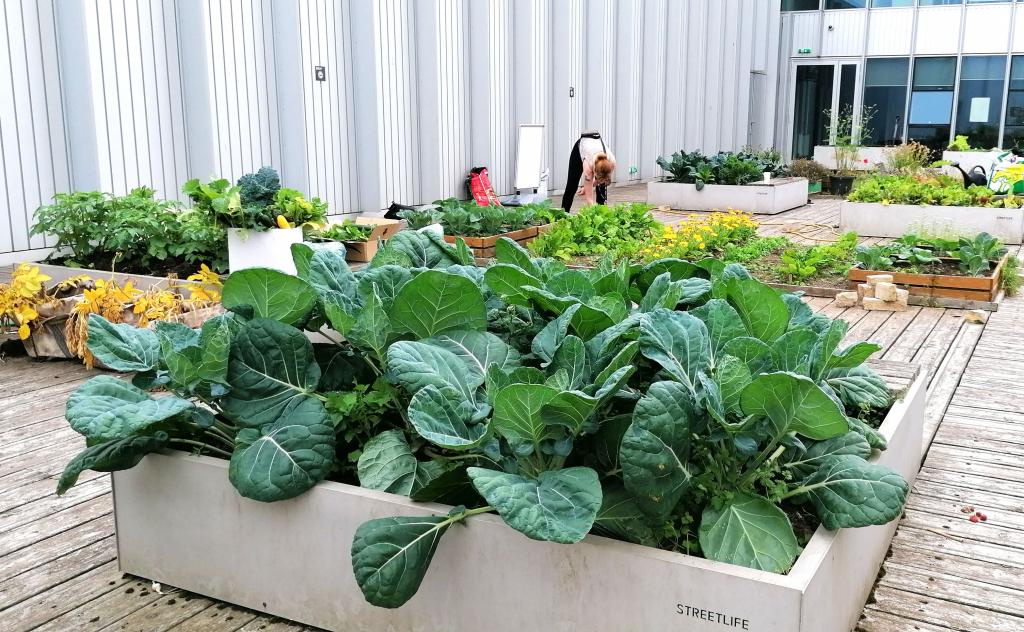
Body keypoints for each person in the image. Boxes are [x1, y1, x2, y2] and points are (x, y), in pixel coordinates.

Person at [561, 130, 616, 212]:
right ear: (594, 171)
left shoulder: (612, 162)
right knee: (571, 185)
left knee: (602, 187)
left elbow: (601, 179)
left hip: (596, 144)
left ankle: (602, 214)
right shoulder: (588, 168)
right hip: (581, 147)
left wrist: (589, 186)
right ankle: (563, 214)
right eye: (597, 177)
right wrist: (587, 188)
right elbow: (589, 200)